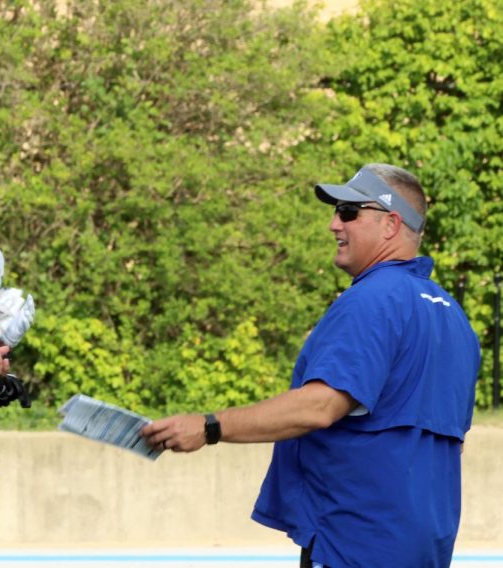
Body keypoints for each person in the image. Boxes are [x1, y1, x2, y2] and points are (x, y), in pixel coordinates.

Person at [142, 164, 480, 567]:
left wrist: (209, 426)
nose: (334, 224)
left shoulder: (372, 299)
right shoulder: (453, 317)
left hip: (356, 540)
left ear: (391, 224)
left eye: (349, 212)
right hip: (423, 544)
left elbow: (320, 406)